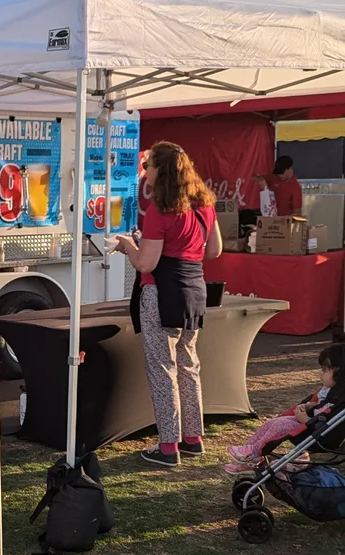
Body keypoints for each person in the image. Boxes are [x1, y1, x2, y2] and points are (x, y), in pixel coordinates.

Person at [113, 141, 222, 469]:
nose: (145, 171)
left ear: (163, 170)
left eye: (149, 166)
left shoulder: (162, 210)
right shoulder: (204, 204)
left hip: (160, 292)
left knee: (163, 370)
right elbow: (214, 249)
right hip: (194, 289)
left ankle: (168, 446)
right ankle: (193, 439)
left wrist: (126, 246)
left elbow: (145, 263)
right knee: (188, 364)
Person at [224, 344, 343, 473]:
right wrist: (309, 405)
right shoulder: (329, 391)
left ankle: (254, 453)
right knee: (271, 423)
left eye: (325, 370)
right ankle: (249, 452)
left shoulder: (341, 398)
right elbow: (321, 405)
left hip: (316, 433)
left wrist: (306, 420)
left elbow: (330, 422)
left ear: (340, 374)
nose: (320, 374)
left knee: (280, 425)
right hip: (307, 424)